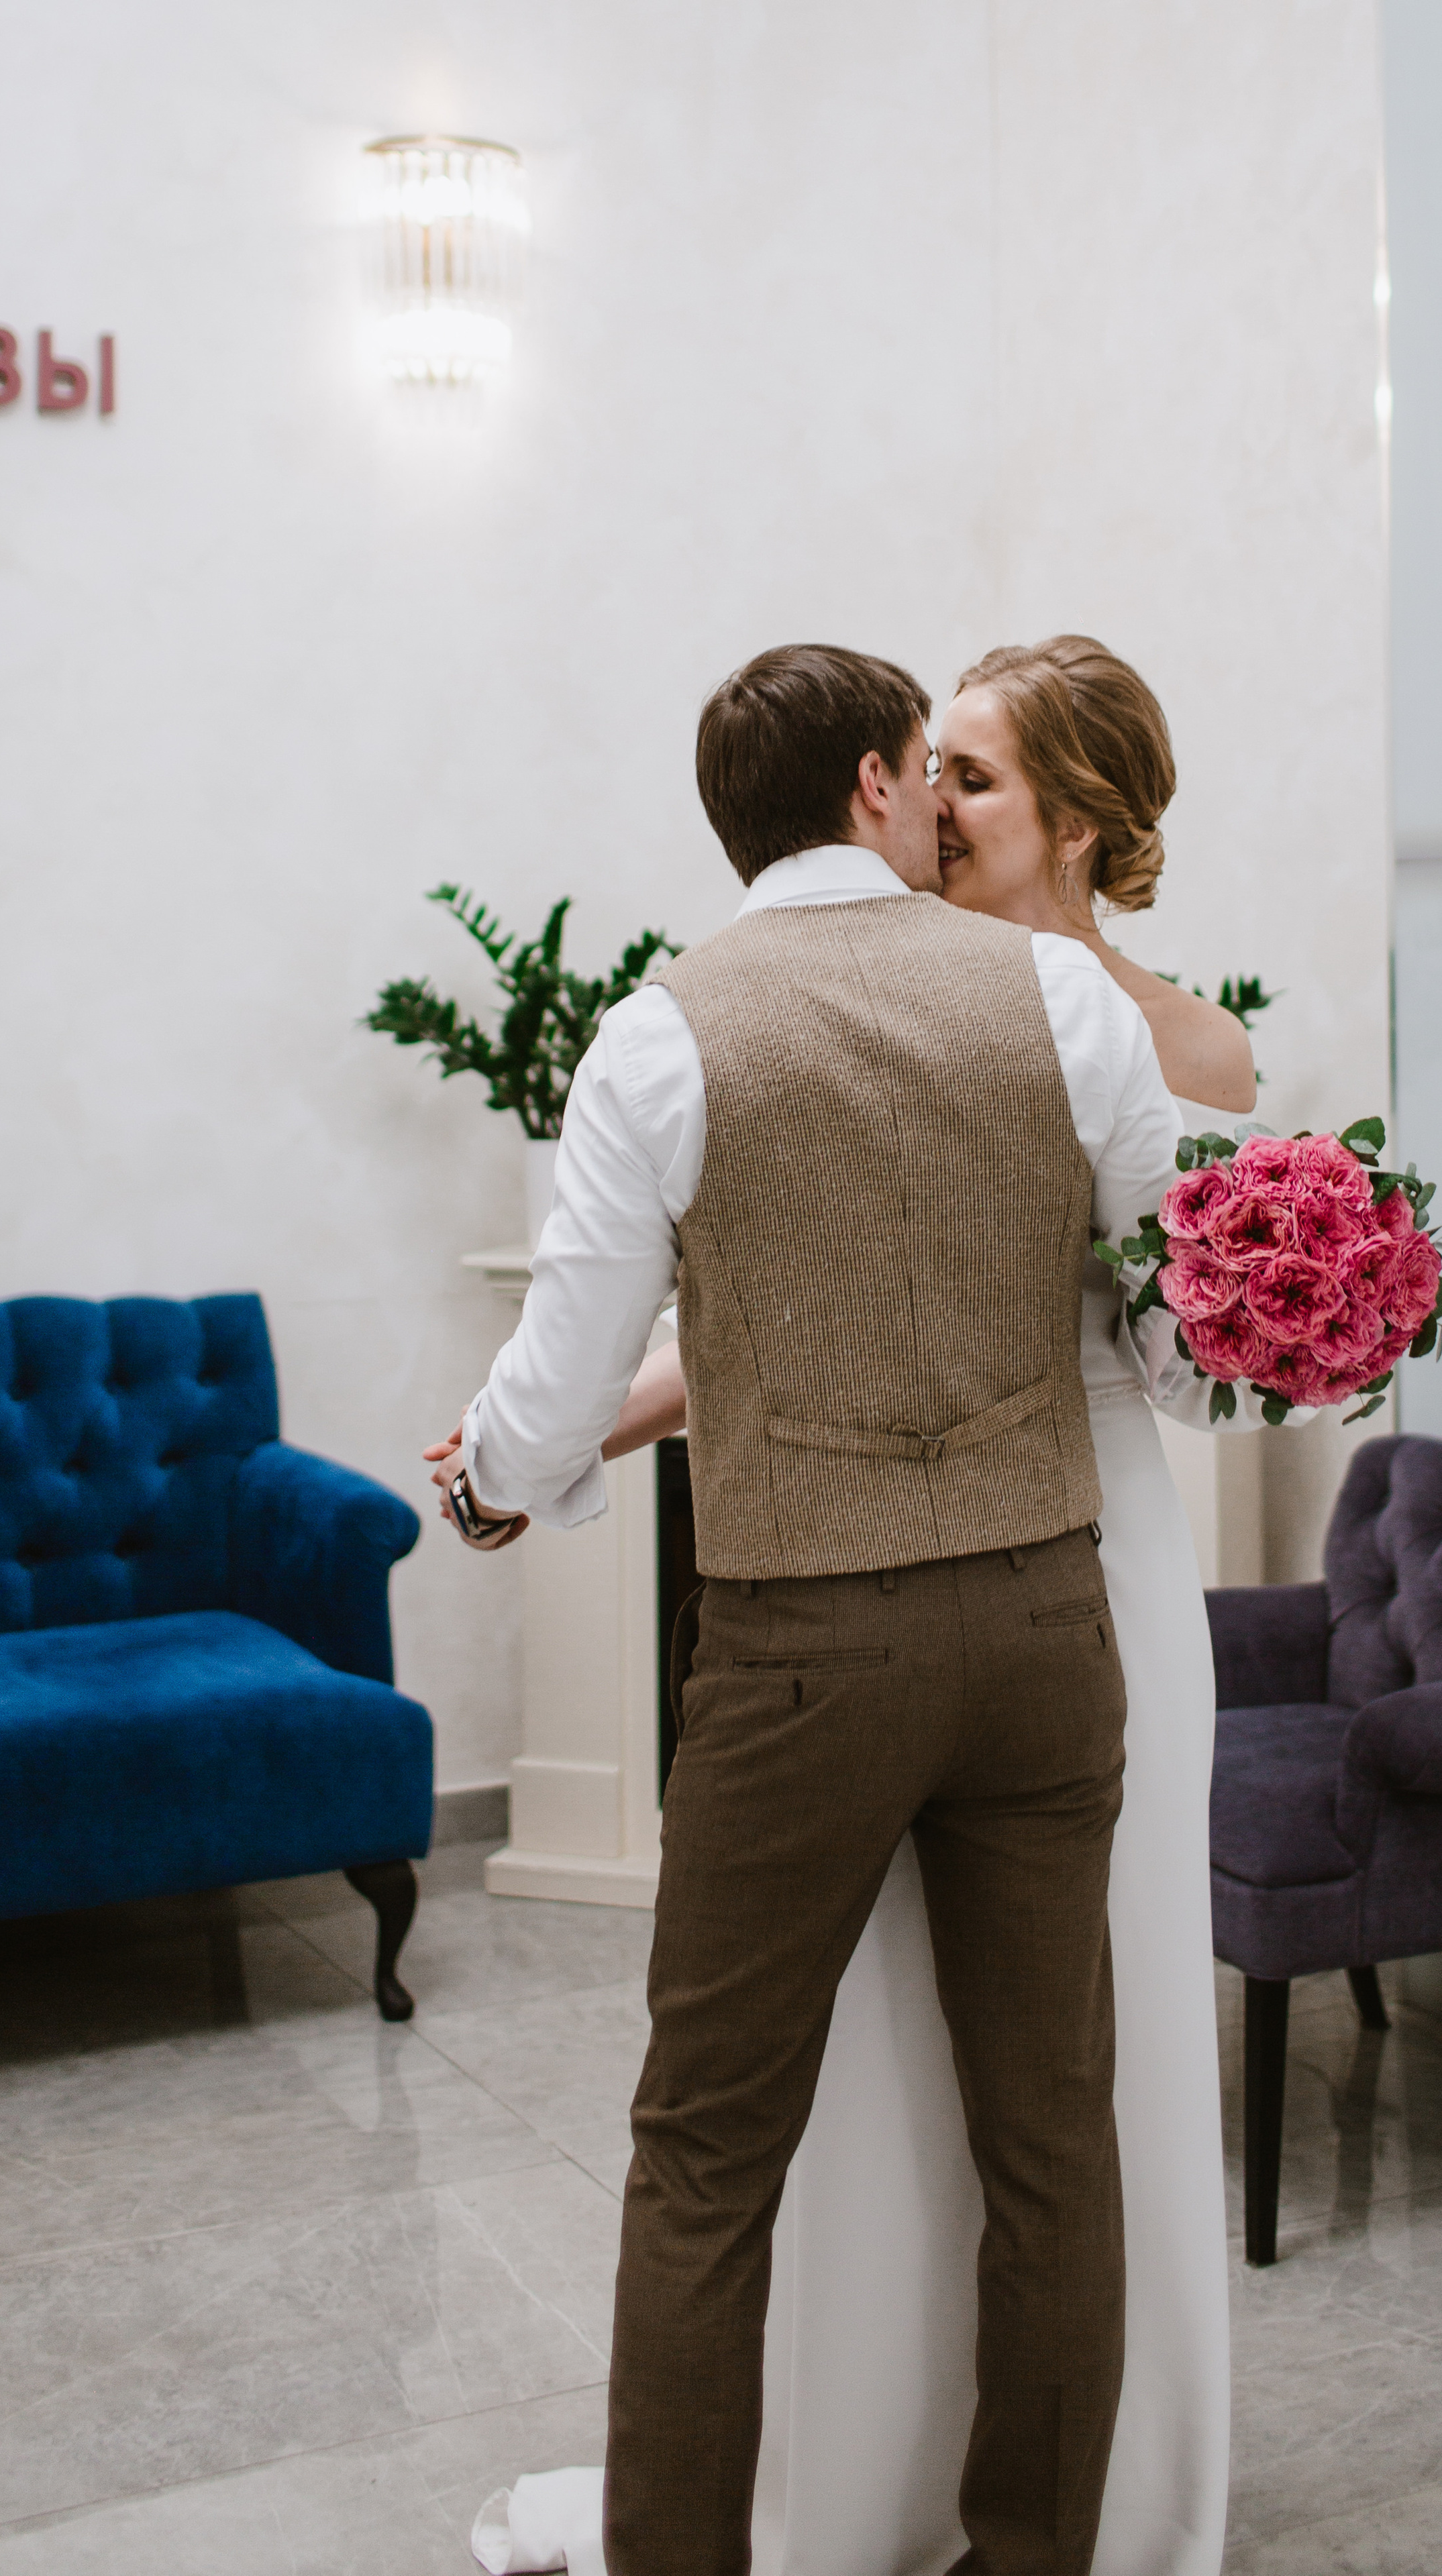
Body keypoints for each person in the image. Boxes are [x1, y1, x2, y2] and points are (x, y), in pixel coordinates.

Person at [433, 640, 1211, 2576]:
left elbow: (564, 1365)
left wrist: (506, 1491)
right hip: (1048, 1631)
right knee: (1052, 2142)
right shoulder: (1056, 995)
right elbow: (1177, 1322)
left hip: (801, 1659)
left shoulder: (661, 1031)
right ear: (881, 783)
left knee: (706, 2154)